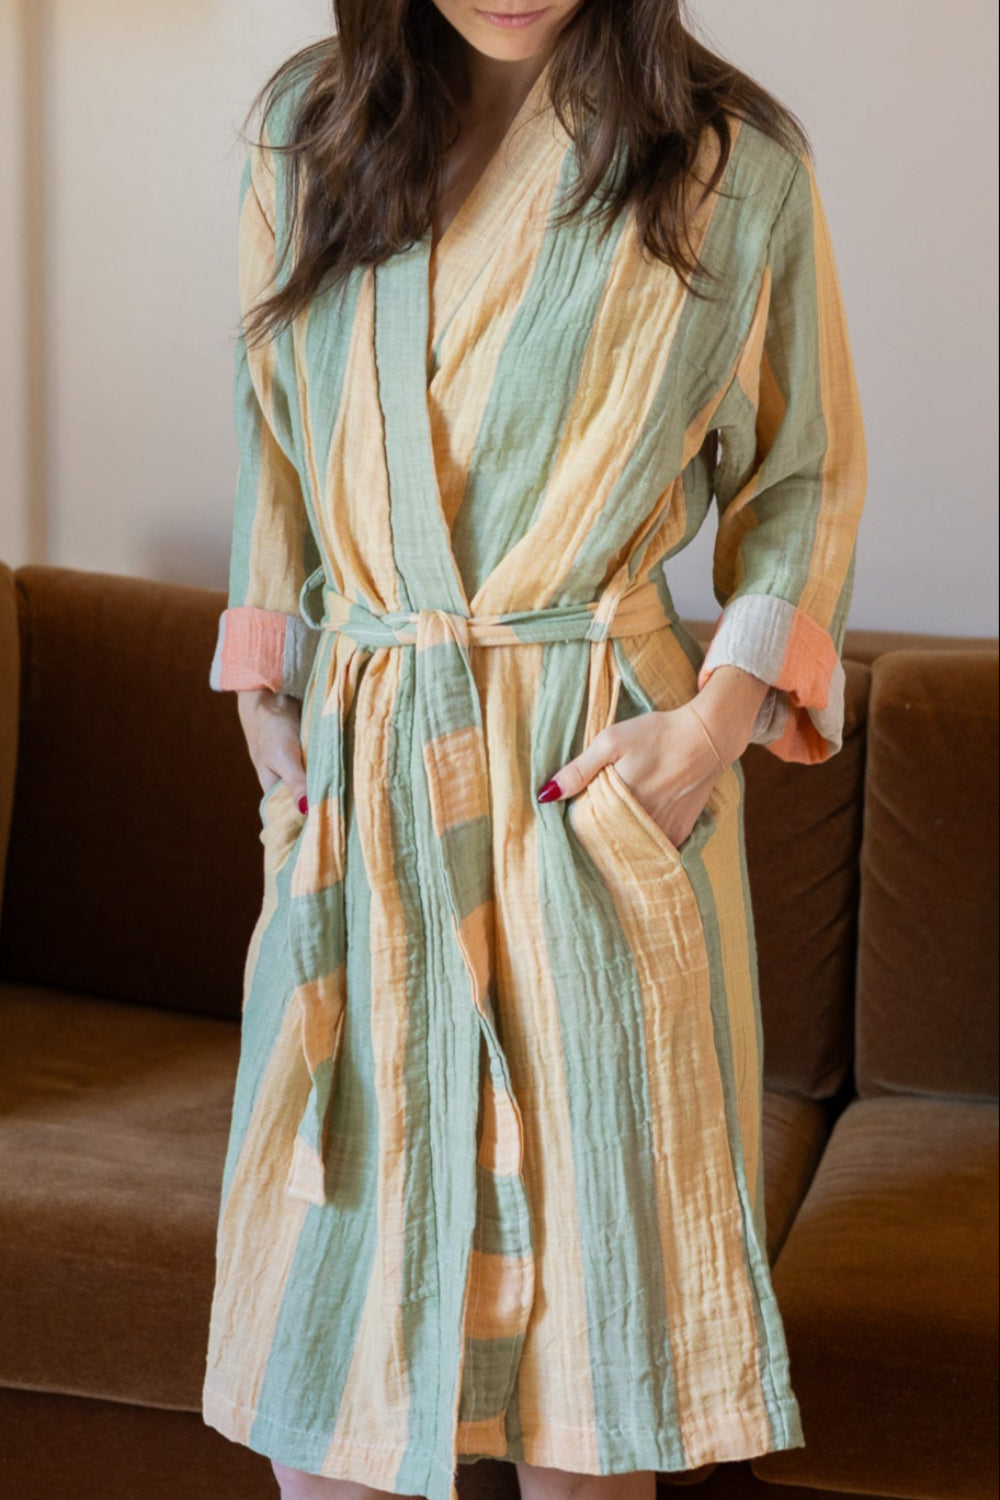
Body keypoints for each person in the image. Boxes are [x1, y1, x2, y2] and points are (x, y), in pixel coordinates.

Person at [200, 2, 867, 1499]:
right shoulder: (303, 129)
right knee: (337, 1378)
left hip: (592, 783)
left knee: (588, 1397)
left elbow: (804, 475)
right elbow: (269, 433)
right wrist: (267, 680)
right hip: (367, 776)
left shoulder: (730, 164)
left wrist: (710, 729)